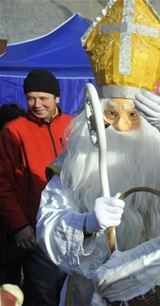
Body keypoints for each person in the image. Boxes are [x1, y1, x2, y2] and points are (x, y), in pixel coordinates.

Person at [35, 1, 160, 305]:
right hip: (94, 291)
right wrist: (86, 224)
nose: (121, 125)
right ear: (95, 114)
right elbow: (49, 225)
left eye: (133, 115)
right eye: (110, 114)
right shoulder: (77, 160)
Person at [0, 69, 72, 305]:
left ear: (57, 98)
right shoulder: (13, 131)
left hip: (74, 230)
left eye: (44, 98)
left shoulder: (73, 127)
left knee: (72, 294)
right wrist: (19, 226)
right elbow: (2, 183)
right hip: (35, 232)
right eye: (31, 97)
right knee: (42, 297)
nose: (37, 104)